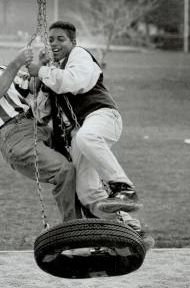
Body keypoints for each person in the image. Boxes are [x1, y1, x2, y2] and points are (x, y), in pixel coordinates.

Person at [27, 21, 154, 248]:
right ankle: (131, 231)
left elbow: (75, 82)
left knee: (87, 138)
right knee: (87, 193)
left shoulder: (80, 56)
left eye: (61, 39)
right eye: (51, 40)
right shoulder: (53, 73)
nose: (55, 43)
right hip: (81, 134)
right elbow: (41, 111)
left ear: (73, 42)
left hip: (103, 116)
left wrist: (42, 71)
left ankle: (124, 188)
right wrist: (40, 76)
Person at [0, 21, 79, 223]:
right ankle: (76, 231)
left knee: (83, 161)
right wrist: (17, 62)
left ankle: (104, 224)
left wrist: (43, 64)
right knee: (64, 170)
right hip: (14, 137)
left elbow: (33, 85)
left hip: (37, 126)